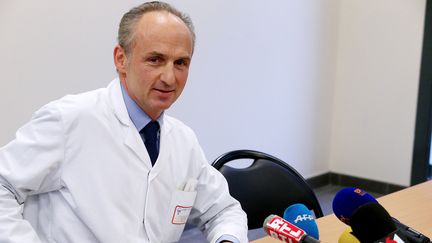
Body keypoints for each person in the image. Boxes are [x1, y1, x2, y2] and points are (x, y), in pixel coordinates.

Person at [0, 1, 248, 243]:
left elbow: (222, 211)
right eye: (155, 59)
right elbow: (4, 186)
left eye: (180, 63)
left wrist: (227, 238)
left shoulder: (184, 141)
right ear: (121, 59)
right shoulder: (69, 120)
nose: (170, 77)